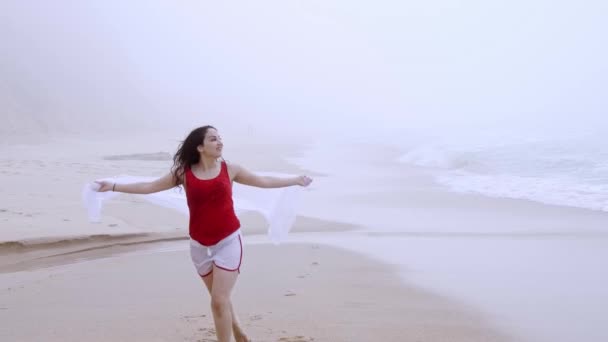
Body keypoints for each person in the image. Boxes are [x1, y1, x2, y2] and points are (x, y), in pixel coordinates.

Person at [95, 125, 313, 342]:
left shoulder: (231, 169)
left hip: (228, 241)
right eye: (213, 139)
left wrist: (295, 180)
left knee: (218, 300)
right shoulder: (184, 173)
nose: (220, 142)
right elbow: (149, 186)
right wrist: (113, 186)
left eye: (220, 138)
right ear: (200, 146)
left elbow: (263, 181)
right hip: (199, 246)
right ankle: (239, 332)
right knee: (219, 299)